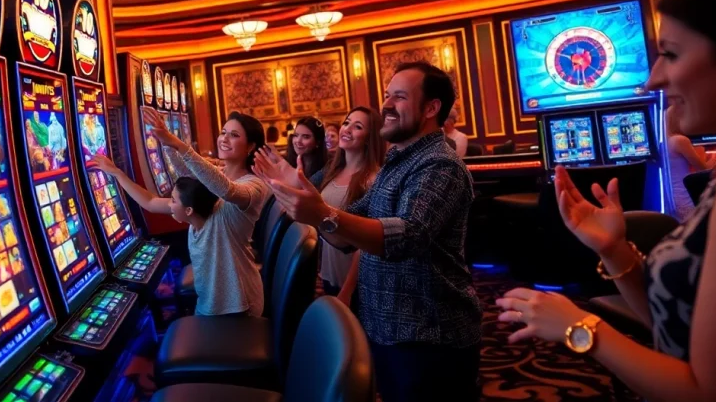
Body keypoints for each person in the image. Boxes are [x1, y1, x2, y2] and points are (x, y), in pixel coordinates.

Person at [495, 0, 716, 402]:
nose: (652, 79)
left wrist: (580, 327)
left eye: (670, 54)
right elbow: (680, 327)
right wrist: (614, 249)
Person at [262, 61, 481, 402]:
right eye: (387, 95)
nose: (387, 105)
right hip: (386, 326)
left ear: (431, 108)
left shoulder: (439, 163)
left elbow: (407, 236)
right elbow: (346, 232)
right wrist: (314, 207)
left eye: (400, 97)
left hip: (428, 333)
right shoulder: (399, 162)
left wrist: (322, 212)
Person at [95, 108, 270, 316]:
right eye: (223, 132)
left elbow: (227, 190)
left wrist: (177, 143)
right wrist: (116, 173)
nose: (224, 139)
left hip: (238, 302)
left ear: (250, 146)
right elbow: (153, 200)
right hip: (212, 301)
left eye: (234, 135)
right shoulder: (216, 176)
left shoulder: (254, 186)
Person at [258, 107, 383, 306]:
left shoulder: (373, 180)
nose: (347, 129)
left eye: (357, 126)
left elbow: (365, 245)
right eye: (346, 122)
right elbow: (313, 207)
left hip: (354, 282)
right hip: (328, 273)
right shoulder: (332, 169)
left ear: (370, 137)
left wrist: (348, 289)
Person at [664, 105, 709, 221]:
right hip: (685, 196)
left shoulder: (664, 141)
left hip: (670, 197)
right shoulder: (679, 140)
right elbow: (702, 169)